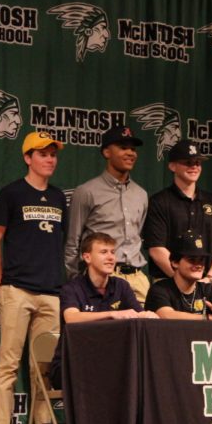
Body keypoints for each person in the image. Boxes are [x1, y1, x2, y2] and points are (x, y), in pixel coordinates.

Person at [0, 131, 68, 424]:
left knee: (44, 371)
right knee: (7, 366)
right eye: (42, 153)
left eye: (53, 154)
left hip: (50, 294)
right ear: (27, 158)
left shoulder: (61, 197)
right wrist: (1, 286)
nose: (50, 158)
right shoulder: (11, 193)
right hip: (17, 290)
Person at [50, 232, 157, 390]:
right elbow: (71, 318)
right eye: (103, 252)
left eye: (113, 252)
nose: (110, 258)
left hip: (107, 362)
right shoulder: (72, 288)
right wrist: (112, 314)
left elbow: (138, 313)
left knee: (139, 372)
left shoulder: (121, 286)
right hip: (72, 364)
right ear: (87, 257)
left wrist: (149, 315)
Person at [64, 125, 150, 303]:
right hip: (101, 278)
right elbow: (73, 242)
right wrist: (77, 282)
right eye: (123, 147)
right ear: (106, 152)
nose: (130, 153)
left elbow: (138, 235)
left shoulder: (141, 194)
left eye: (133, 149)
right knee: (104, 330)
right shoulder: (86, 191)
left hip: (137, 279)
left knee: (143, 329)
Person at [142, 140, 212, 293]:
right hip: (169, 282)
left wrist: (210, 279)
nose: (194, 167)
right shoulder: (159, 201)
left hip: (207, 282)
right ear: (172, 166)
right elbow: (156, 249)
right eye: (188, 162)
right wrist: (181, 279)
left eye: (197, 163)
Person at [145, 234, 212, 321]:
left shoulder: (207, 289)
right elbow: (166, 315)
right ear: (175, 262)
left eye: (201, 260)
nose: (199, 265)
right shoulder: (160, 289)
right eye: (192, 260)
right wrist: (208, 318)